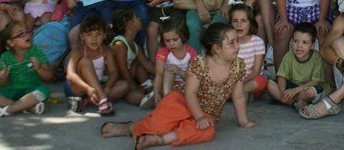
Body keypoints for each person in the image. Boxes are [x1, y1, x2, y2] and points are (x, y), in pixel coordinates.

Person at [99, 23, 257, 148]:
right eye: (232, 43)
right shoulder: (200, 63)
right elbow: (190, 94)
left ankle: (157, 140)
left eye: (237, 41)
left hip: (208, 113)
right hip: (181, 101)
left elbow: (238, 96)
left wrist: (243, 121)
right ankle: (131, 128)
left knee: (207, 131)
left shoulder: (238, 65)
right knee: (160, 122)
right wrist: (198, 116)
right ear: (216, 48)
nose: (237, 46)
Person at [0, 22, 52, 119]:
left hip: (31, 91)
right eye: (21, 34)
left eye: (27, 32)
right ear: (11, 42)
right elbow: (1, 84)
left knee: (44, 90)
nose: (27, 35)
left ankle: (3, 111)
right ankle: (27, 107)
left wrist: (39, 68)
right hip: (11, 92)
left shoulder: (37, 52)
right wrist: (2, 76)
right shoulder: (5, 57)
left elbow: (49, 77)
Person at [65, 14, 129, 115]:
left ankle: (85, 102)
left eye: (98, 34)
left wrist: (107, 87)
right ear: (82, 36)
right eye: (89, 35)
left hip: (97, 86)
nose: (94, 39)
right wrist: (87, 88)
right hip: (78, 88)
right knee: (85, 62)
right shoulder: (79, 51)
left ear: (104, 35)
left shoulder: (106, 50)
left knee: (124, 86)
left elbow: (113, 72)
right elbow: (70, 75)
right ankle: (103, 99)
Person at [267, 23, 326, 109]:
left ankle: (292, 101)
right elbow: (282, 77)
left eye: (305, 42)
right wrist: (283, 93)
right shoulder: (289, 56)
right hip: (292, 87)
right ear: (291, 41)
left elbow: (315, 82)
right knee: (270, 84)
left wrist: (295, 91)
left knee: (310, 92)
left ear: (312, 45)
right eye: (295, 41)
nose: (299, 46)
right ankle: (293, 102)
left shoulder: (317, 58)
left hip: (307, 88)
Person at [109, 7, 155, 108]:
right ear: (130, 25)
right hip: (115, 81)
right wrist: (133, 85)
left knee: (139, 65)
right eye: (137, 18)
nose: (140, 19)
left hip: (126, 78)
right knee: (130, 92)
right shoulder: (119, 44)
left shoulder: (134, 45)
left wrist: (164, 74)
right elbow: (122, 70)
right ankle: (145, 98)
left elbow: (147, 65)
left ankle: (146, 86)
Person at [153, 17, 197, 104]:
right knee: (168, 71)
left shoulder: (191, 53)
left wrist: (179, 71)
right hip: (169, 86)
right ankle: (167, 100)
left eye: (175, 40)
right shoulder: (163, 52)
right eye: (167, 41)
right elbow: (159, 74)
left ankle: (170, 100)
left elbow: (193, 77)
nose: (171, 44)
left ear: (183, 36)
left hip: (187, 86)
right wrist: (156, 92)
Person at [229, 4, 268, 98]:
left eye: (243, 21)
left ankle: (233, 95)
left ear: (250, 23)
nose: (239, 24)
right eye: (235, 21)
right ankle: (238, 95)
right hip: (232, 81)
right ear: (230, 23)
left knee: (261, 81)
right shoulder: (228, 42)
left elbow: (256, 71)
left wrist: (240, 84)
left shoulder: (257, 42)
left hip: (249, 81)